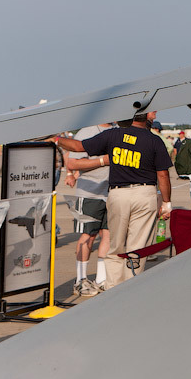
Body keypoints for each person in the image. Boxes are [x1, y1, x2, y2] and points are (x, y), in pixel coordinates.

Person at [57, 110, 172, 288]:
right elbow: (163, 175)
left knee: (115, 244)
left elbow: (79, 147)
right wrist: (166, 202)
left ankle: (113, 287)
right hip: (145, 193)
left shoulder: (113, 134)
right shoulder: (153, 139)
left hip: (118, 194)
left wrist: (57, 140)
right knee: (138, 246)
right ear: (146, 118)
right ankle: (132, 285)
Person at [67, 123, 112, 296]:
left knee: (107, 235)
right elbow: (73, 162)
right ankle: (80, 280)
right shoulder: (87, 131)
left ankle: (101, 279)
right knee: (88, 236)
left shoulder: (116, 129)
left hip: (111, 192)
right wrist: (102, 161)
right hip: (89, 193)